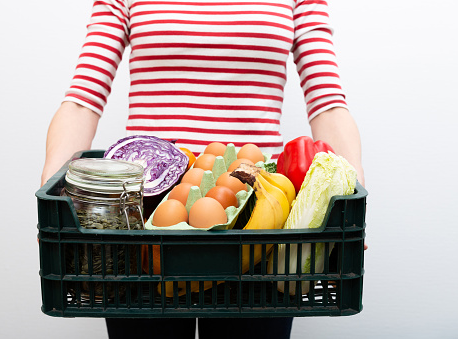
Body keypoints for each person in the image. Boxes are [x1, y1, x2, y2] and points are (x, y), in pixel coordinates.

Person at [41, 0, 365, 337]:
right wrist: (52, 200)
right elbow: (83, 99)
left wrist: (352, 198)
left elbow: (327, 103)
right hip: (148, 222)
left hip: (257, 219)